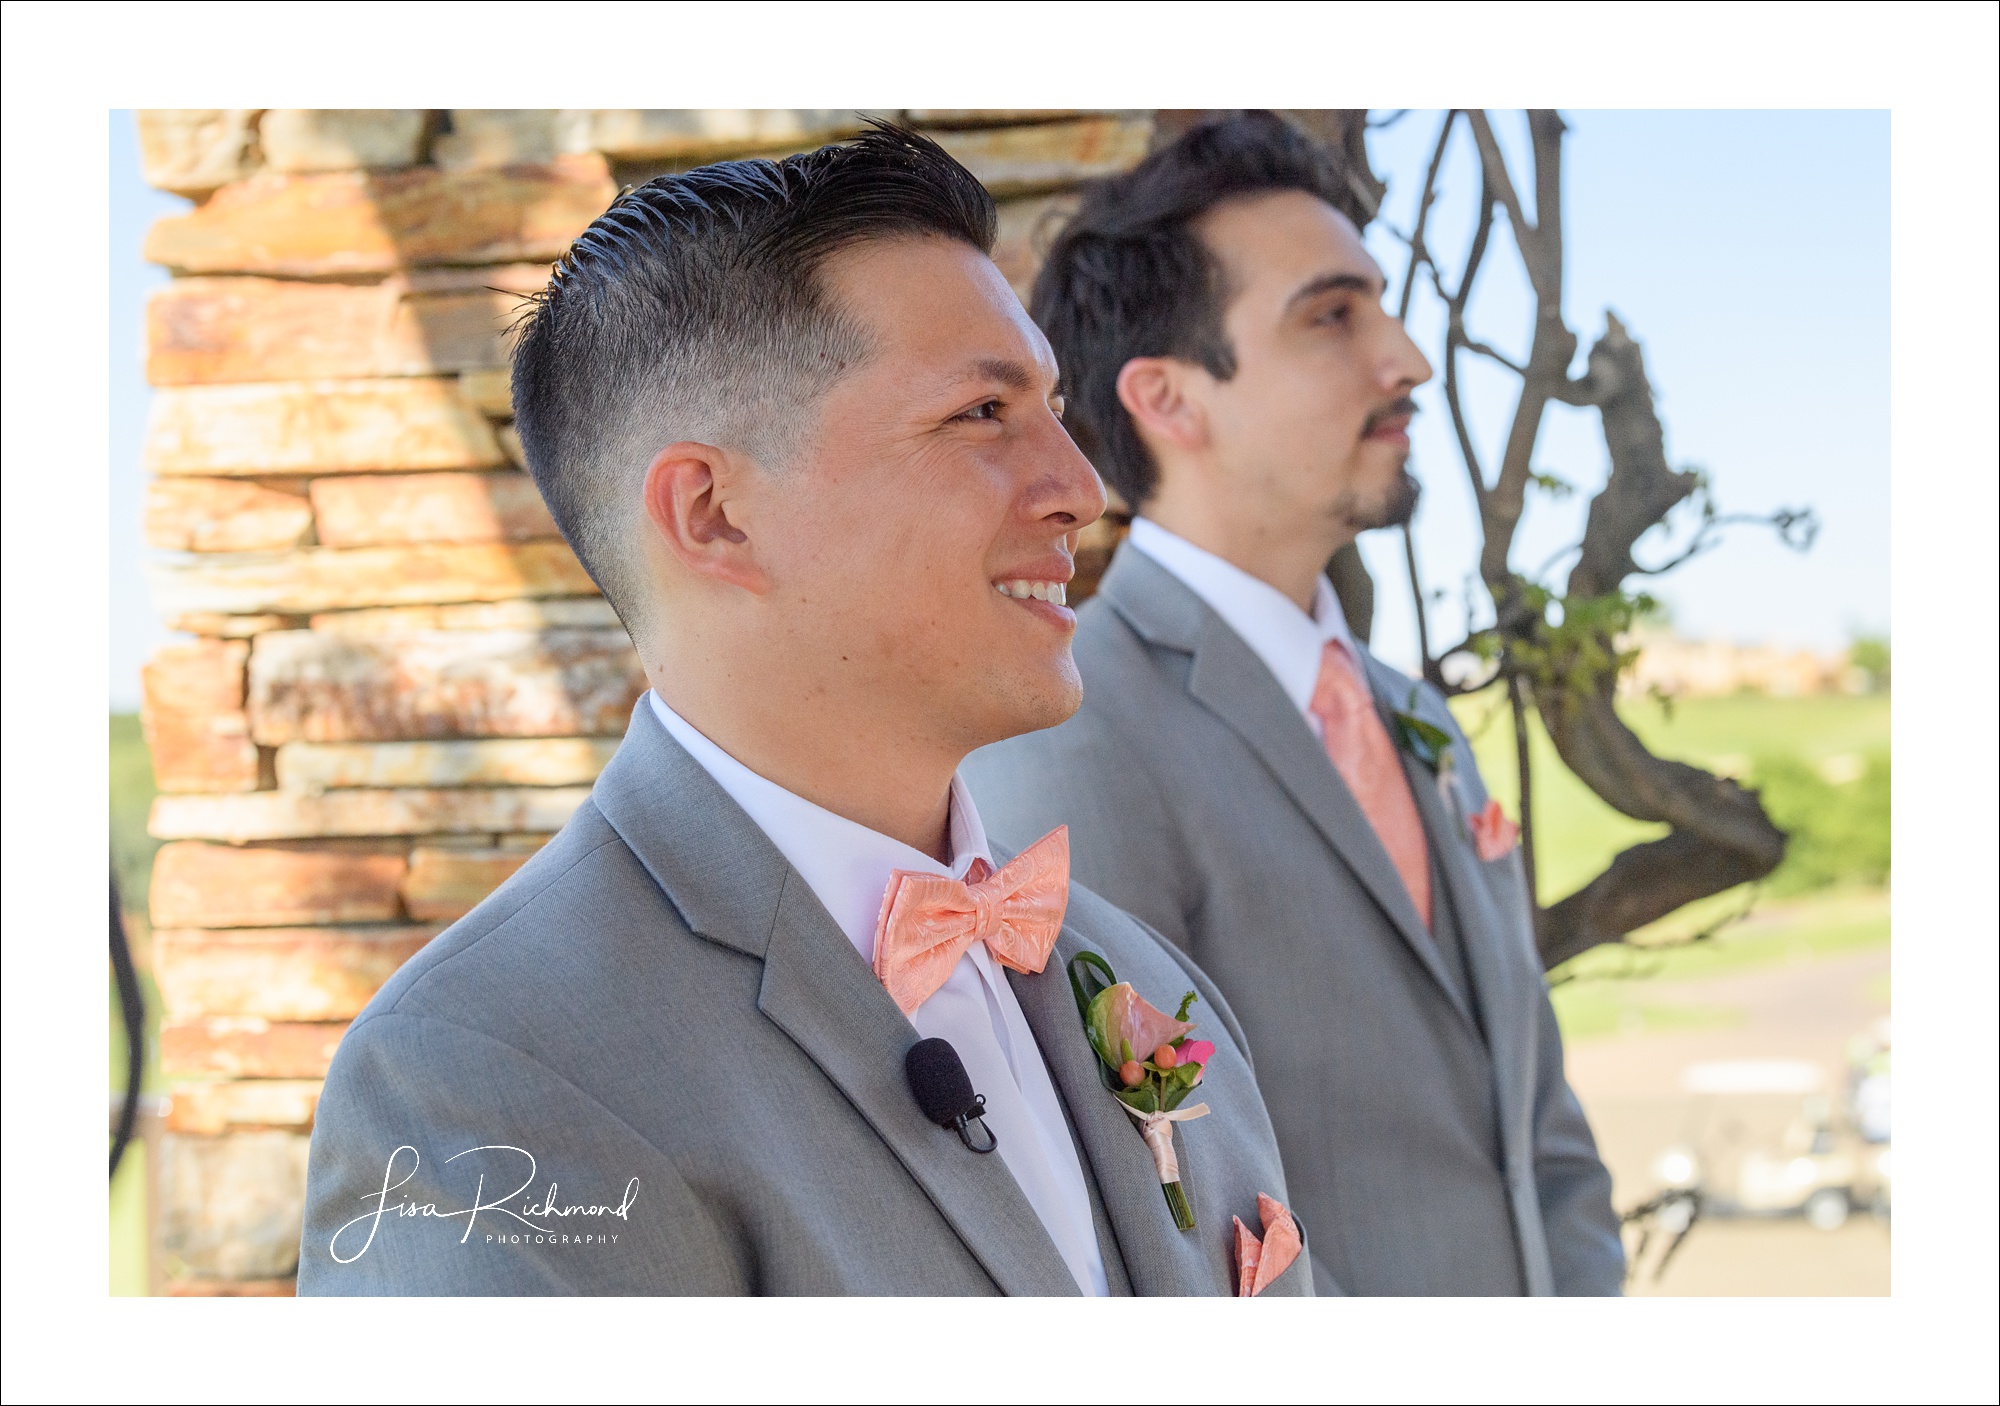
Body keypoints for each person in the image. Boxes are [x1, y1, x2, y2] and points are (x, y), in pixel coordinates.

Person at [297, 126, 1308, 1297]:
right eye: (982, 412)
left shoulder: (1144, 977)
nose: (1080, 488)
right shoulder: (473, 1075)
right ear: (715, 513)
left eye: (1052, 405)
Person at [963, 112, 1624, 1296]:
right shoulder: (1069, 739)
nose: (1405, 359)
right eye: (1332, 315)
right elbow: (1136, 1221)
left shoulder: (1415, 717)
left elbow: (1541, 1133)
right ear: (1167, 398)